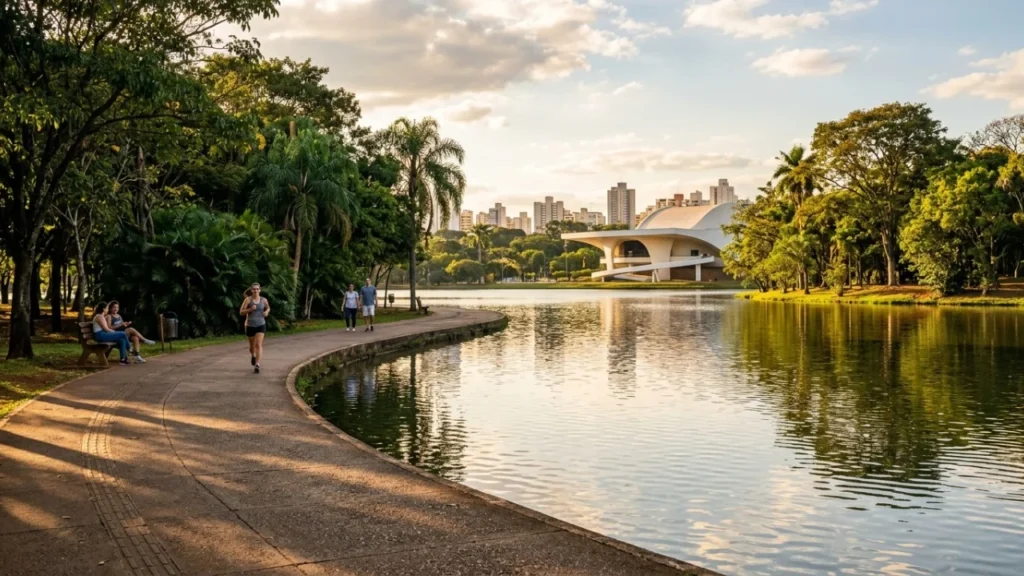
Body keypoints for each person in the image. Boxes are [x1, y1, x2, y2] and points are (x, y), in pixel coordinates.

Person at [239, 283, 270, 373]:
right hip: (250, 325)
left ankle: (257, 364)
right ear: (251, 290)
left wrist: (266, 312)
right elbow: (241, 312)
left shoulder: (264, 300)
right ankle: (253, 355)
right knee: (252, 347)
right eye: (254, 289)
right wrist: (250, 310)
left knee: (258, 345)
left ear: (260, 290)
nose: (255, 290)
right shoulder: (248, 300)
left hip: (261, 324)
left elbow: (268, 308)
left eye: (257, 289)